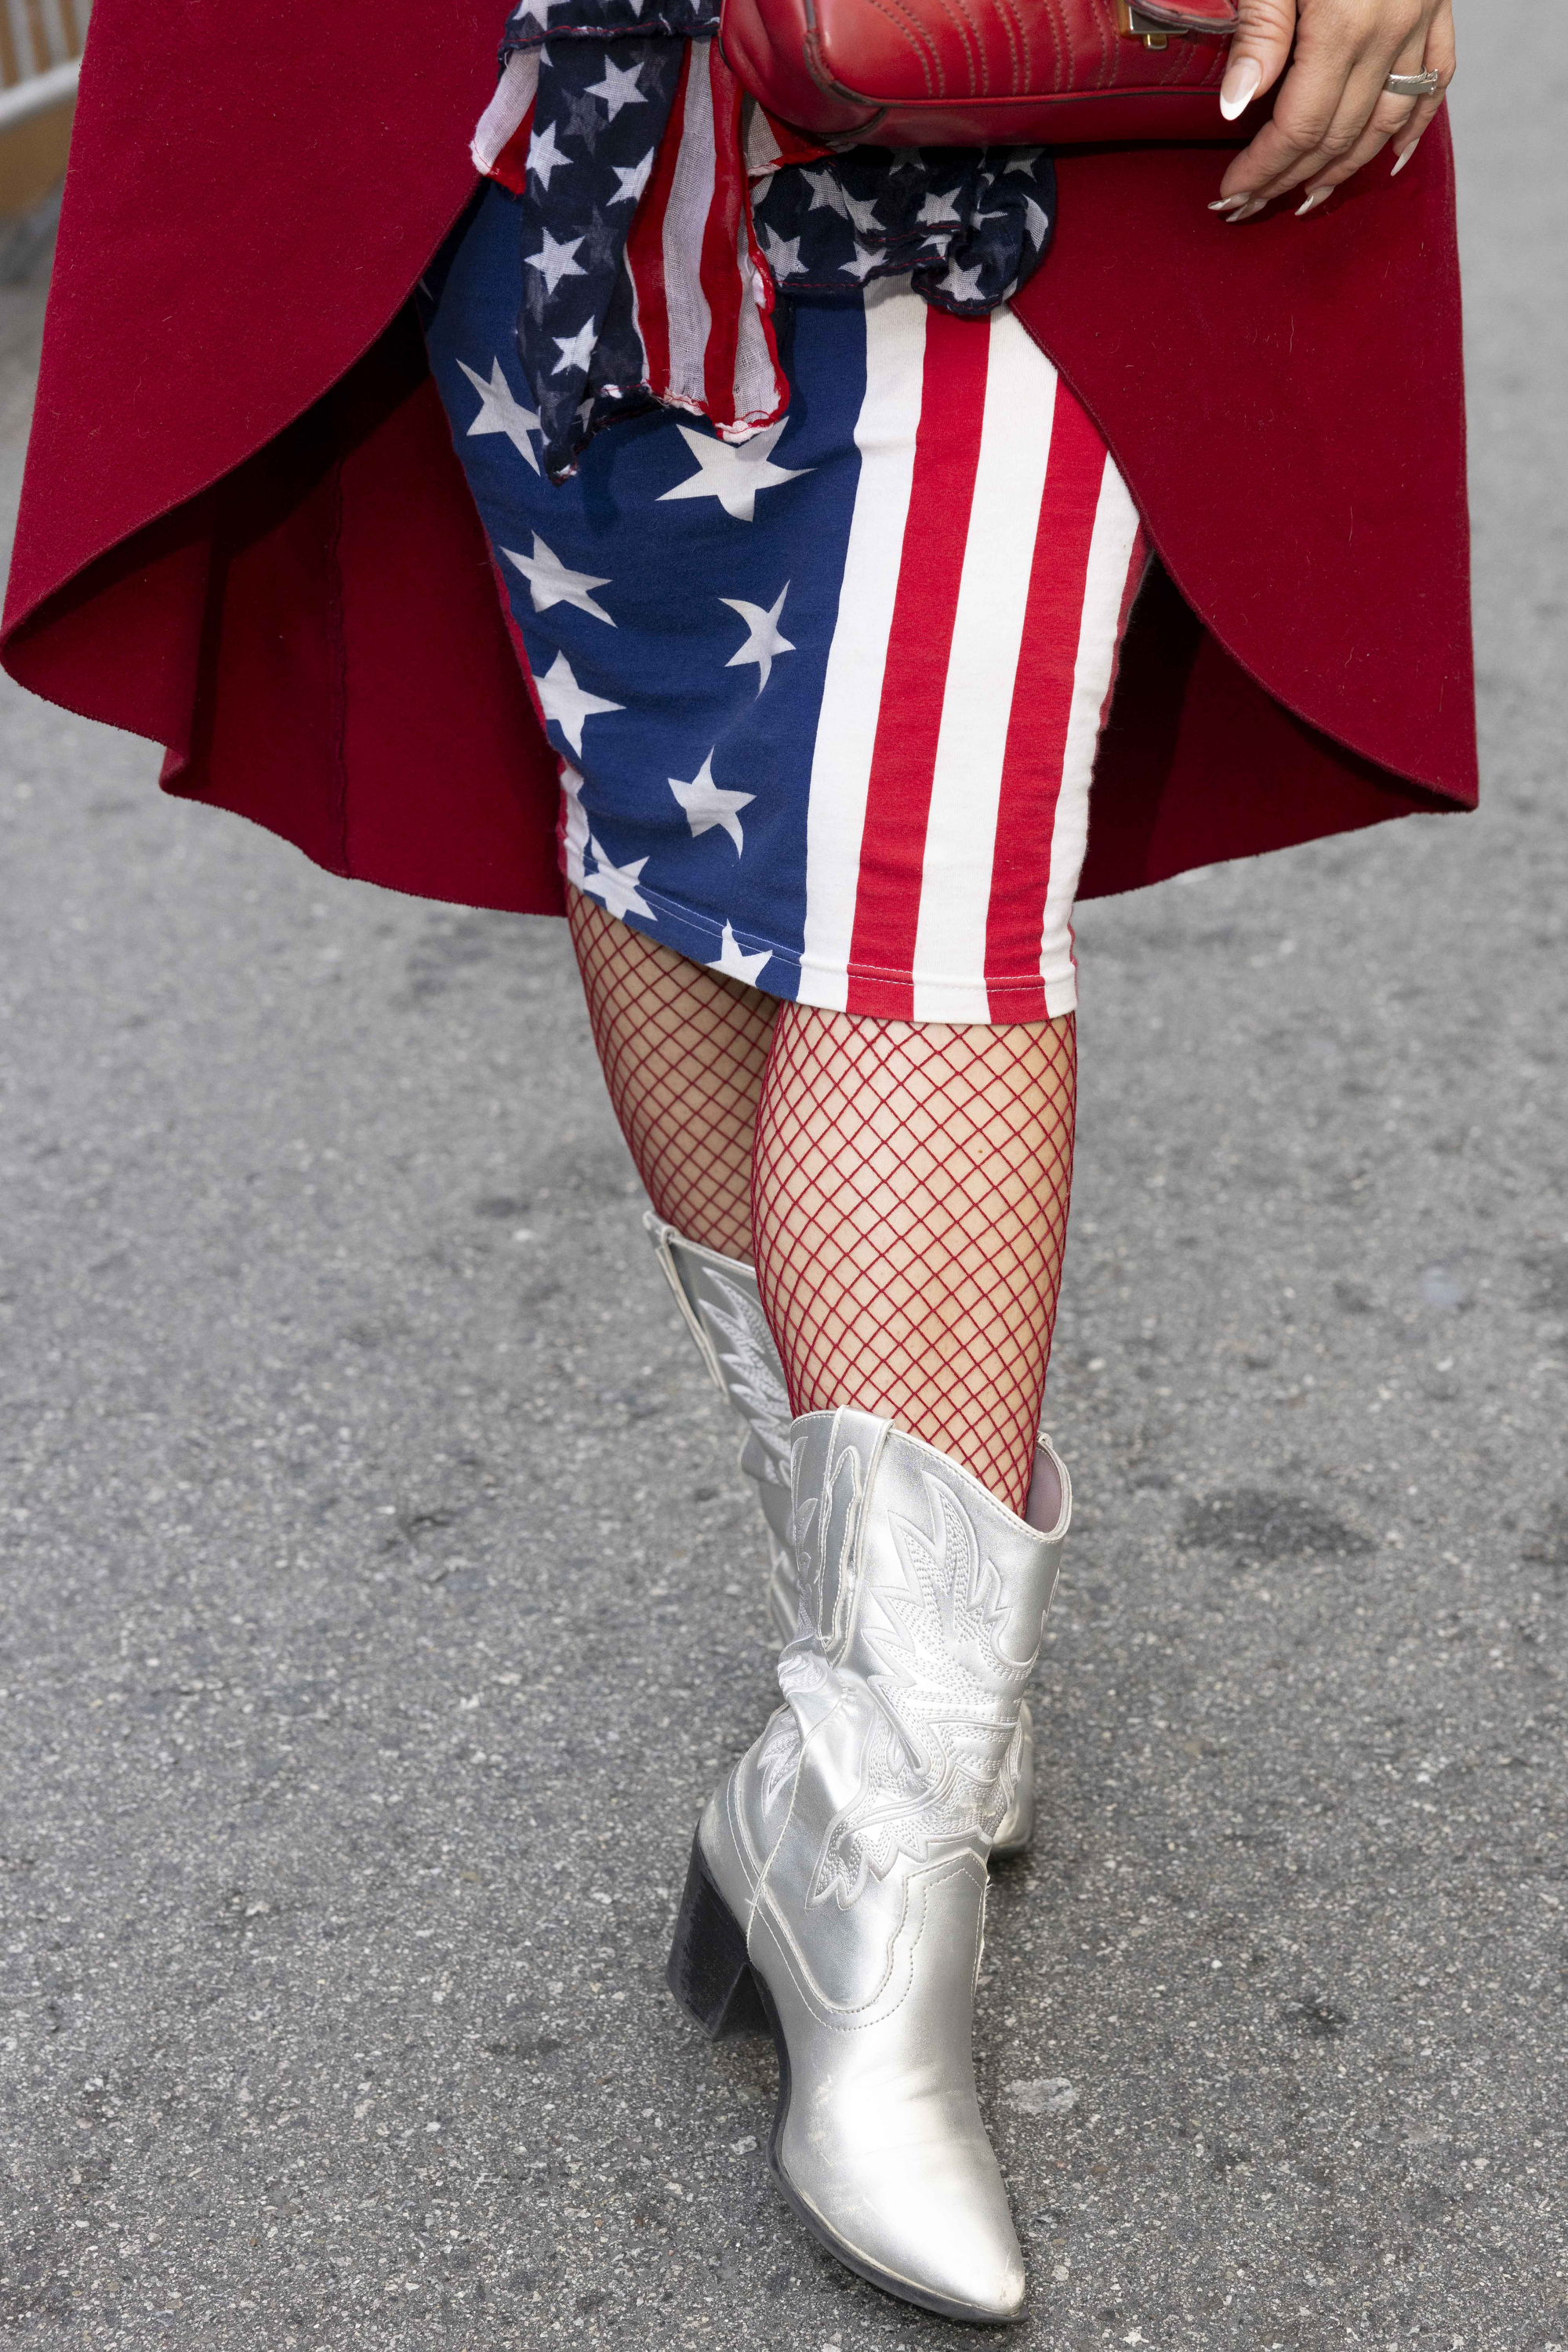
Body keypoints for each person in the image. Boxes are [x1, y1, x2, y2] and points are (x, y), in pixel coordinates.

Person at [2, 0, 1472, 2321]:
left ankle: (876, 1840)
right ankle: (872, 1699)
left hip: (1044, 101)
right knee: (674, 791)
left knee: (926, 884)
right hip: (553, 93)